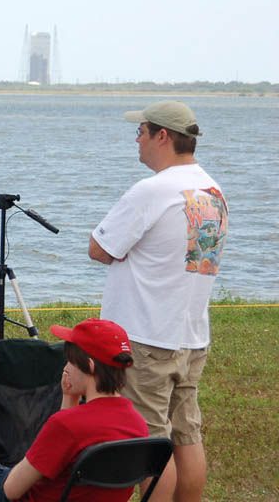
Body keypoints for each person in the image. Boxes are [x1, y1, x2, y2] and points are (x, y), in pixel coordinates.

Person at [89, 101, 227, 502]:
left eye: (141, 132)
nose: (137, 140)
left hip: (148, 336)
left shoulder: (151, 190)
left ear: (161, 136)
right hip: (191, 334)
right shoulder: (212, 190)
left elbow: (99, 248)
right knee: (186, 432)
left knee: (148, 442)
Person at [0, 319, 149, 502]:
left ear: (89, 366)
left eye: (69, 361)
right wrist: (69, 398)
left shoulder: (69, 425)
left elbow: (10, 489)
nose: (65, 367)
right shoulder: (137, 424)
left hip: (5, 492)